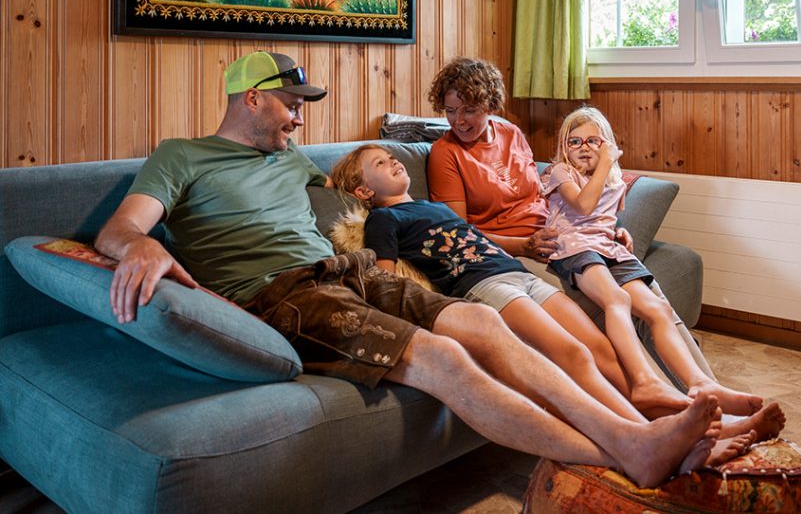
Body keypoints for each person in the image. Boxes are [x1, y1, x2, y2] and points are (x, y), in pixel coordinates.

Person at [94, 50, 723, 489]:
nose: (301, 118)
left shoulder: (291, 160)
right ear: (253, 99)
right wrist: (141, 246)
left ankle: (638, 429)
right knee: (446, 359)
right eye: (292, 104)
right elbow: (119, 230)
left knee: (482, 324)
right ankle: (627, 451)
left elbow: (365, 190)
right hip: (277, 295)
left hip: (350, 270)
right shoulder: (183, 157)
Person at [425, 58, 784, 440]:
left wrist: (607, 230)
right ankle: (678, 423)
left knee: (651, 300)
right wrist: (524, 245)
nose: (459, 120)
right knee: (610, 306)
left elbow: (552, 196)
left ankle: (708, 395)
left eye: (469, 110)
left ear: (489, 104)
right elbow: (459, 232)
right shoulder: (446, 155)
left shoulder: (511, 133)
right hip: (517, 252)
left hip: (562, 235)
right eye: (450, 111)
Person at [335, 143, 757, 465]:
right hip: (483, 288)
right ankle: (644, 434)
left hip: (517, 272)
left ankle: (675, 416)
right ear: (363, 190)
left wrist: (525, 245)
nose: (393, 162)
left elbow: (480, 237)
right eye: (379, 164)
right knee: (570, 353)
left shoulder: (432, 206)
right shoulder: (383, 220)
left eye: (392, 156)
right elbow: (385, 277)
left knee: (602, 347)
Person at [544, 106, 784, 420]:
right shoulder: (562, 173)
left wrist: (618, 229)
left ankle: (700, 384)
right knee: (617, 299)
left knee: (658, 309)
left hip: (608, 248)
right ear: (564, 148)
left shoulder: (614, 182)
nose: (584, 148)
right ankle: (644, 381)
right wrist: (605, 163)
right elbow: (583, 205)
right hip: (573, 248)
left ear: (606, 142)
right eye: (575, 142)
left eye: (593, 141)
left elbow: (601, 218)